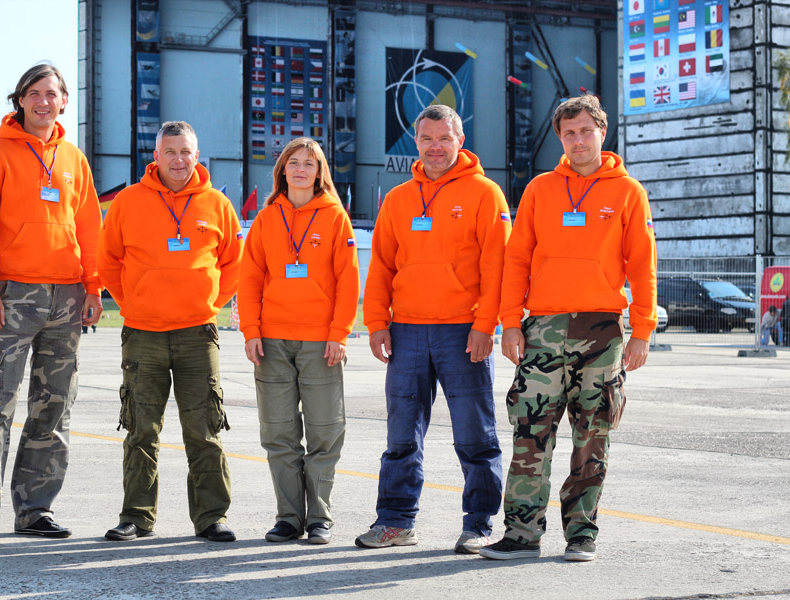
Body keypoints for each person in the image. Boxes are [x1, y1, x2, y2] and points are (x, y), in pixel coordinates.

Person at [480, 95, 657, 563]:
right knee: (530, 432)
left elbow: (642, 265)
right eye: (569, 133)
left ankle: (581, 534)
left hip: (602, 332)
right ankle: (521, 535)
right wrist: (510, 323)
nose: (578, 140)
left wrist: (642, 329)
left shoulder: (628, 191)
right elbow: (517, 259)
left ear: (602, 132)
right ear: (560, 138)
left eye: (585, 131)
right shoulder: (540, 189)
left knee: (593, 434)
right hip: (542, 329)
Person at [355, 105, 511, 554]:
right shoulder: (398, 199)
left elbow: (497, 267)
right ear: (416, 143)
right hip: (406, 331)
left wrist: (486, 324)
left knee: (476, 436)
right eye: (427, 139)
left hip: (462, 332)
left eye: (444, 138)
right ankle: (395, 522)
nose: (435, 147)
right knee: (401, 436)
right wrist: (377, 322)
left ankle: (479, 524)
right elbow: (381, 266)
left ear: (460, 140)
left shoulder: (485, 194)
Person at [0, 63, 103, 548]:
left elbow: (90, 228)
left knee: (54, 408)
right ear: (20, 100)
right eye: (34, 93)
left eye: (52, 94)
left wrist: (93, 287)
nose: (44, 101)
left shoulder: (74, 158)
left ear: (64, 101)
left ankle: (36, 509)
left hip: (67, 297)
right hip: (14, 295)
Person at [98, 121, 243, 543]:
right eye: (170, 152)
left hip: (198, 334)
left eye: (185, 152)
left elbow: (234, 264)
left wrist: (210, 303)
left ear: (197, 156)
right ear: (156, 156)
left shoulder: (217, 204)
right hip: (143, 334)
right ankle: (137, 516)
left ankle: (212, 517)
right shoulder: (128, 202)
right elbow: (107, 260)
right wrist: (133, 303)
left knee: (204, 429)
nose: (178, 160)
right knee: (141, 429)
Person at [238, 138, 359, 545]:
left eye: (310, 162)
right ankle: (288, 517)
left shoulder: (335, 217)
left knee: (325, 430)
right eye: (294, 162)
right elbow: (249, 280)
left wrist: (339, 333)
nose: (301, 169)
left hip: (320, 342)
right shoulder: (266, 218)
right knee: (279, 433)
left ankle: (320, 517)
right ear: (283, 171)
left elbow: (348, 281)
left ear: (320, 171)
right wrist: (251, 331)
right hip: (272, 342)